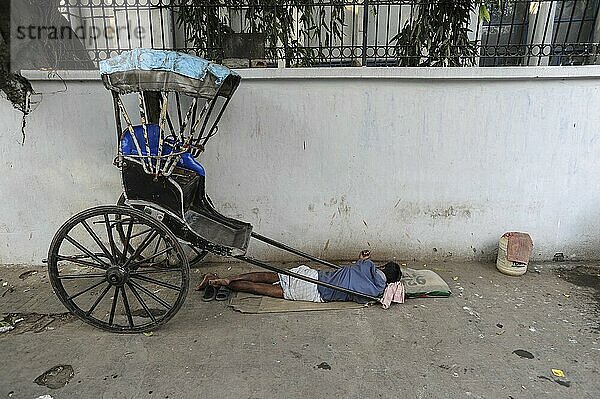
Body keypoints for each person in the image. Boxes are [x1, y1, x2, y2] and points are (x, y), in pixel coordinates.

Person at [196, 250, 402, 304]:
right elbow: (358, 294)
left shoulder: (365, 265)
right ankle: (218, 282)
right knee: (259, 289)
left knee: (265, 275)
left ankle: (221, 278)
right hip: (313, 292)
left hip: (313, 275)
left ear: (382, 266)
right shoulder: (375, 292)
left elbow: (358, 267)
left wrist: (362, 260)